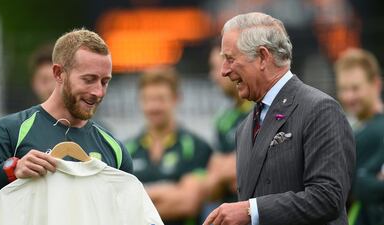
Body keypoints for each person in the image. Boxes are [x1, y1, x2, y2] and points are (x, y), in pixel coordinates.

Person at [203, 12, 355, 225]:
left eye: (230, 59)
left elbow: (328, 197)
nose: (224, 71)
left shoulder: (320, 109)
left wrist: (251, 210)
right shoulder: (245, 128)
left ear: (263, 57)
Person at [0, 28, 133, 201]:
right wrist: (12, 170)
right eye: (89, 79)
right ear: (58, 74)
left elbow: (130, 210)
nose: (98, 92)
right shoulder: (9, 131)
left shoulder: (115, 148)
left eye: (105, 81)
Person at [125, 68, 213, 225]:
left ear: (176, 99)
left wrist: (138, 198)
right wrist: (170, 191)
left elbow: (187, 203)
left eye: (160, 99)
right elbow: (117, 204)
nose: (153, 107)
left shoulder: (196, 147)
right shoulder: (126, 150)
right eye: (147, 100)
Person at [202, 40, 252, 217]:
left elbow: (257, 172)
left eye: (216, 67)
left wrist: (223, 172)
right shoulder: (223, 120)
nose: (216, 75)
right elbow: (211, 184)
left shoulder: (264, 110)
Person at [335, 48, 384, 225]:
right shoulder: (352, 129)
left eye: (355, 88)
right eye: (343, 89)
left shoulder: (376, 131)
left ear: (376, 84)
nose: (349, 96)